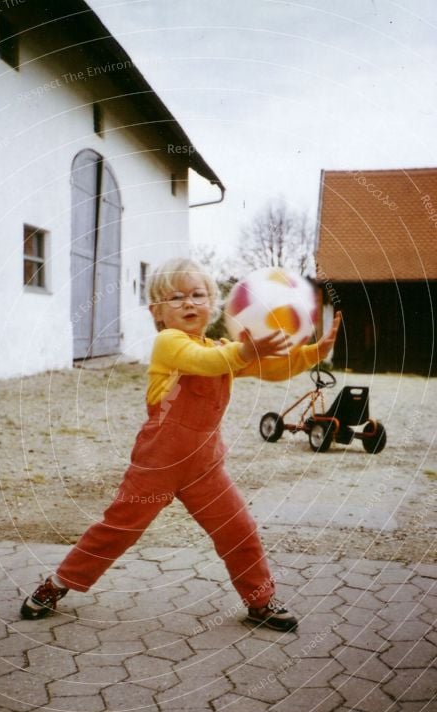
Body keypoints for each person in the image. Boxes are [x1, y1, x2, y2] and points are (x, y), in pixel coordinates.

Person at [21, 258, 341, 631]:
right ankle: (58, 583)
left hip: (204, 467)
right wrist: (242, 352)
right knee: (119, 529)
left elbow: (268, 368)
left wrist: (313, 352)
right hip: (157, 466)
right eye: (175, 297)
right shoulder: (169, 342)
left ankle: (260, 600)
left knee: (239, 529)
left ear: (214, 305)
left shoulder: (223, 347)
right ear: (157, 312)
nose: (188, 303)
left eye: (197, 295)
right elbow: (201, 361)